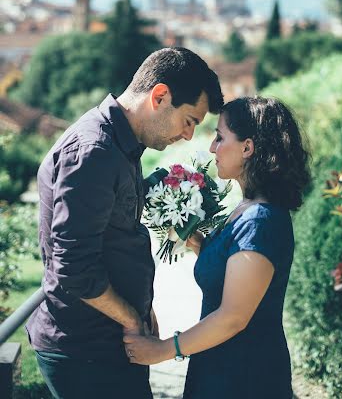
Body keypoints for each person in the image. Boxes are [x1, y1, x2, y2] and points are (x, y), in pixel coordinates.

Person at [26, 47, 223, 399]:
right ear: (160, 96)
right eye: (190, 121)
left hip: (108, 344)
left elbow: (113, 242)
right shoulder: (94, 151)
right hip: (86, 352)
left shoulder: (120, 145)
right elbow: (73, 267)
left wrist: (142, 310)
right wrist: (132, 319)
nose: (189, 135)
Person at [124, 96, 311, 399]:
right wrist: (197, 242)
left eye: (220, 137)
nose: (212, 147)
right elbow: (230, 276)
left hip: (246, 377)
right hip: (221, 366)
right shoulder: (246, 208)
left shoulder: (261, 220)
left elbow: (233, 317)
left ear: (247, 148)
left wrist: (162, 350)